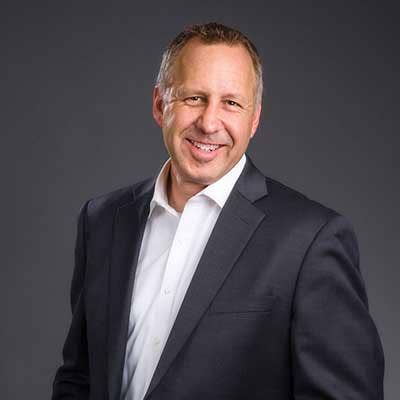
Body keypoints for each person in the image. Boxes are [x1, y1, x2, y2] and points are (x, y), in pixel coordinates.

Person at [52, 22, 384, 400]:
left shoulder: (310, 241)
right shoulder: (103, 220)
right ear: (160, 105)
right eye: (194, 98)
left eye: (231, 103)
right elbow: (80, 378)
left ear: (254, 119)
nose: (209, 123)